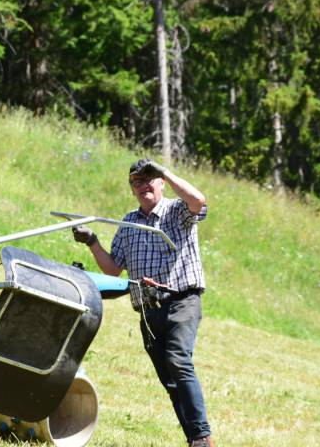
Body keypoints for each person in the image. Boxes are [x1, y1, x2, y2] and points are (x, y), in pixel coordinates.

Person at [72, 158, 214, 447]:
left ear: (160, 181)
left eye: (149, 178)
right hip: (147, 312)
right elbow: (113, 268)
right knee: (170, 379)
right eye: (136, 182)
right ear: (132, 190)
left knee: (178, 361)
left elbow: (198, 201)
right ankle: (194, 440)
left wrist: (164, 171)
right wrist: (92, 242)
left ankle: (203, 437)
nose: (143, 185)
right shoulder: (128, 223)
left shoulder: (177, 211)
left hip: (181, 301)